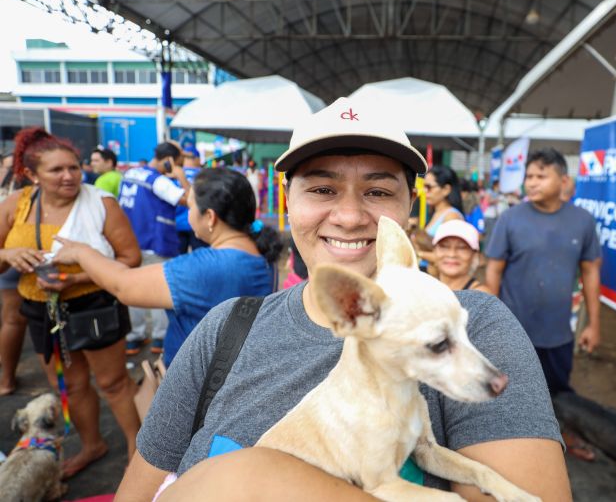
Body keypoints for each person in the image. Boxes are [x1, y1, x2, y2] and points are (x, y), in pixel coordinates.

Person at [115, 97, 570, 502]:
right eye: (321, 189)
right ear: (287, 200)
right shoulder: (226, 328)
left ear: (409, 206)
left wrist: (253, 477)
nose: (350, 216)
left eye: (377, 191)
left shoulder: (474, 323)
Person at [0, 127, 141, 477]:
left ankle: (139, 456)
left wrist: (77, 278)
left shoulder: (99, 203)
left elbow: (130, 257)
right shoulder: (17, 204)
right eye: (57, 170)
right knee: (69, 384)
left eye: (74, 167)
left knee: (113, 383)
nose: (69, 176)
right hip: (40, 310)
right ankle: (93, 445)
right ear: (31, 175)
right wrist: (9, 253)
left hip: (94, 306)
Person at [54, 168, 282, 367]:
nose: (188, 214)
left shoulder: (205, 267)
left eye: (191, 207)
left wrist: (82, 252)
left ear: (210, 217)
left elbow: (122, 285)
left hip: (198, 385)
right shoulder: (261, 253)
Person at [485, 148, 601, 461]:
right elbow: (493, 269)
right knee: (508, 391)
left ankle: (561, 437)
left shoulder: (582, 221)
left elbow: (591, 271)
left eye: (540, 176)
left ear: (563, 180)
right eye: (529, 176)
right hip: (514, 330)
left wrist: (593, 324)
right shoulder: (510, 218)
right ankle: (512, 447)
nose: (531, 183)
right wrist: (492, 321)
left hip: (559, 332)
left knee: (559, 392)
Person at [119, 140, 190, 355]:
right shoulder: (158, 181)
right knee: (160, 292)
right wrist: (180, 177)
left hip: (131, 242)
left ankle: (134, 337)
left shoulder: (131, 173)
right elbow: (188, 200)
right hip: (156, 243)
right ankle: (160, 338)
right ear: (168, 160)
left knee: (133, 292)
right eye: (178, 162)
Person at [0, 151, 29, 395]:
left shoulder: (8, 183)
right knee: (13, 319)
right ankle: (7, 378)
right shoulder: (23, 192)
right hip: (16, 257)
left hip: (12, 256)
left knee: (12, 319)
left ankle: (7, 379)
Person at [416, 165, 464, 272]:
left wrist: (417, 253)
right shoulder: (437, 213)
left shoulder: (452, 217)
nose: (425, 191)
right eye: (424, 187)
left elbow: (449, 257)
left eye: (429, 187)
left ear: (446, 189)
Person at [432, 220, 491, 294]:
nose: (452, 254)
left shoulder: (482, 297)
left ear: (474, 254)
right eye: (444, 246)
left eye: (461, 248)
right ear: (434, 251)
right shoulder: (425, 288)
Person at [174, 145, 207, 254]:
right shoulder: (205, 176)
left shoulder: (174, 175)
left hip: (177, 224)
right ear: (197, 159)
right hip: (199, 225)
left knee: (179, 261)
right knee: (201, 261)